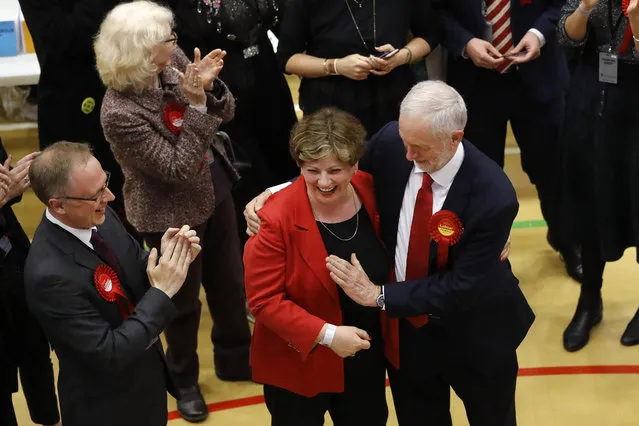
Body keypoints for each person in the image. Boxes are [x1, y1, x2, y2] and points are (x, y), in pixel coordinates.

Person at [245, 81, 531, 426]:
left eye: (419, 148)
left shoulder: (494, 195)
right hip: (407, 336)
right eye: (405, 142)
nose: (408, 155)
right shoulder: (393, 143)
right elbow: (333, 162)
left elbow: (461, 285)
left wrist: (378, 296)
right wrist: (273, 192)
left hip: (473, 333)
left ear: (454, 138)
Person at [96, 1, 252, 421]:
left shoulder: (175, 63)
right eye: (168, 38)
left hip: (214, 191)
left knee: (230, 285)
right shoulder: (118, 111)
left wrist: (212, 91)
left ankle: (236, 359)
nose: (176, 42)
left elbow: (227, 111)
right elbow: (175, 167)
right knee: (179, 304)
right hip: (168, 213)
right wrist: (197, 105)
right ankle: (183, 381)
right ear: (143, 50)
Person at [24, 141, 200, 426]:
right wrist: (162, 290)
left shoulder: (99, 216)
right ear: (58, 205)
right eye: (95, 194)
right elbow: (110, 352)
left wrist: (165, 259)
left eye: (105, 182)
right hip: (106, 408)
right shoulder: (49, 276)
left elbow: (132, 266)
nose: (110, 195)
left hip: (146, 387)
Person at [244, 107, 395, 426]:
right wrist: (328, 336)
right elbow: (263, 301)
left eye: (335, 170)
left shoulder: (373, 189)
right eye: (312, 170)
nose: (323, 181)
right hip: (299, 359)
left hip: (364, 355)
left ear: (355, 165)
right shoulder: (272, 218)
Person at [437, 0, 582, 283]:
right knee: (479, 179)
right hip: (474, 83)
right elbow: (434, 12)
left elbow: (564, 4)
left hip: (539, 76)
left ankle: (567, 241)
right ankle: (488, 256)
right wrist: (466, 42)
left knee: (553, 170)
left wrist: (538, 33)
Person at [166, 0, 299, 247]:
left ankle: (295, 245)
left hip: (268, 85)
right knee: (246, 181)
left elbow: (283, 23)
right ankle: (256, 258)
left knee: (286, 165)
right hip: (219, 89)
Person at [18, 0, 139, 242]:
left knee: (128, 217)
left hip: (126, 103)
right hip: (72, 113)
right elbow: (57, 40)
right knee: (79, 216)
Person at [557, 0, 639, 351]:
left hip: (635, 102)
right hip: (591, 97)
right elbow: (566, 38)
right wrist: (585, 8)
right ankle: (590, 300)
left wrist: (635, 17)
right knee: (588, 198)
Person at [276, 0, 439, 136]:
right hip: (330, 106)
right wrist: (335, 66)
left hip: (392, 96)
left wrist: (401, 57)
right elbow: (287, 59)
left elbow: (430, 35)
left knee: (393, 164)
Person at [0, 138, 60, 426]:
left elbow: (5, 181)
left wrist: (11, 187)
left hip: (12, 258)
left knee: (35, 351)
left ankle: (48, 418)